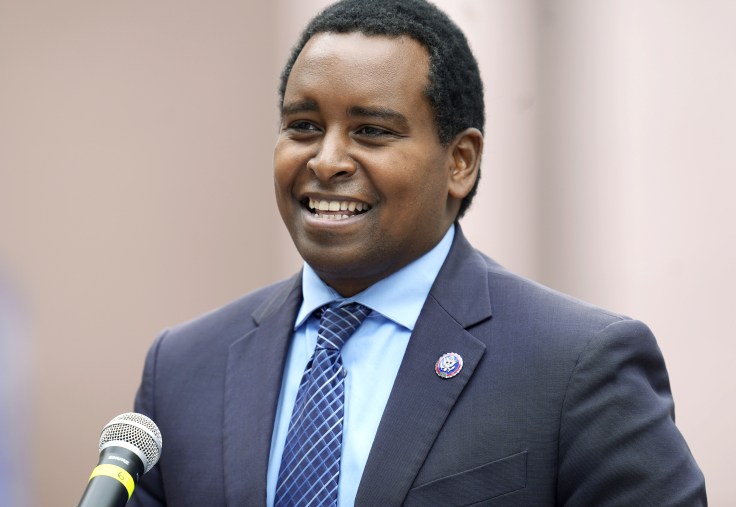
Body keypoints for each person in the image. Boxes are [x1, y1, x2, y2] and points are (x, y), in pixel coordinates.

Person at [129, 0, 706, 505]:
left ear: (460, 163)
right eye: (303, 125)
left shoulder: (578, 366)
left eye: (372, 131)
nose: (326, 160)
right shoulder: (183, 369)